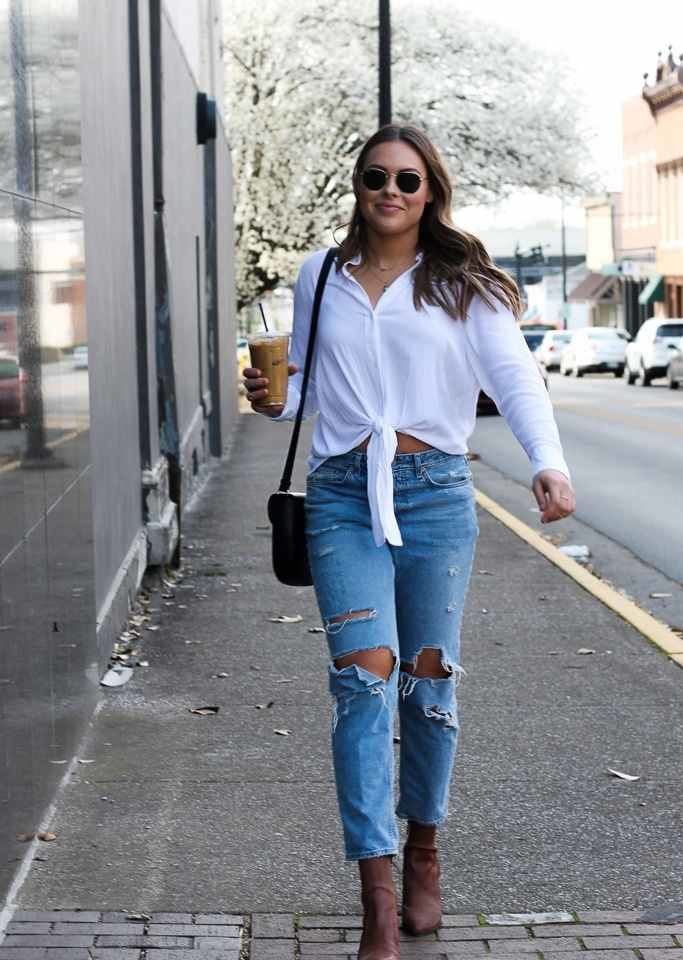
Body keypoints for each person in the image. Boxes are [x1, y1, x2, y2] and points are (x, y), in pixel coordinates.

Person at [243, 124, 575, 960]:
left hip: (433, 497)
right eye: (374, 177)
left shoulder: (462, 284)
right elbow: (310, 387)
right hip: (341, 497)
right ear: (356, 186)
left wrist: (548, 464)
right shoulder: (322, 273)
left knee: (428, 688)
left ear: (431, 192)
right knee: (362, 683)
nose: (389, 191)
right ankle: (378, 897)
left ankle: (425, 847)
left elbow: (513, 381)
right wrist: (271, 400)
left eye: (407, 180)